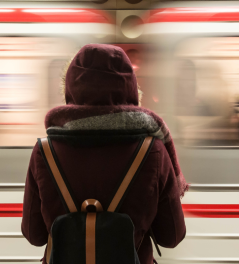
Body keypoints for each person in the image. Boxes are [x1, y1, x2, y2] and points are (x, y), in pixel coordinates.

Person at [21, 44, 187, 264]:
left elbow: (35, 236)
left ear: (70, 89)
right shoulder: (154, 150)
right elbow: (171, 237)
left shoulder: (45, 152)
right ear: (130, 89)